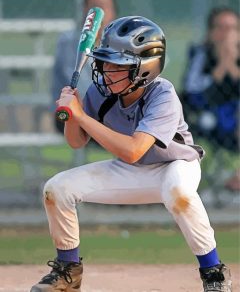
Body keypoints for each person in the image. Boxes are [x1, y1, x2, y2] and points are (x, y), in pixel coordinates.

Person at [30, 16, 232, 292]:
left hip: (175, 165)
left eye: (117, 65)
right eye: (104, 62)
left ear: (144, 69)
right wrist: (72, 116)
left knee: (179, 193)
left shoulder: (163, 95)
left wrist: (82, 116)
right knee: (57, 188)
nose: (105, 70)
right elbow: (77, 142)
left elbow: (135, 149)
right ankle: (69, 272)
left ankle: (214, 275)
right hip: (131, 170)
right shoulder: (101, 93)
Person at [182, 7, 240, 192]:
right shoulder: (201, 54)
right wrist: (221, 67)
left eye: (232, 29)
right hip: (210, 118)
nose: (226, 35)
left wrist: (233, 66)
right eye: (221, 28)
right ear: (210, 32)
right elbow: (192, 91)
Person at [52, 0, 116, 134]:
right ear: (84, 11)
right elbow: (80, 87)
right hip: (70, 111)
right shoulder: (69, 41)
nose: (102, 15)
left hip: (107, 113)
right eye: (95, 7)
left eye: (105, 7)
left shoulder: (118, 43)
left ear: (114, 13)